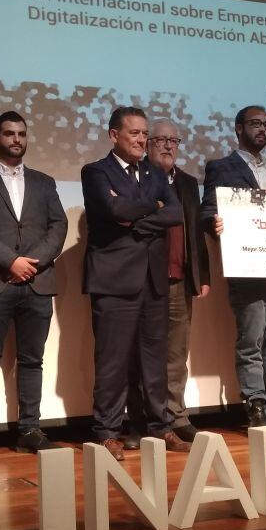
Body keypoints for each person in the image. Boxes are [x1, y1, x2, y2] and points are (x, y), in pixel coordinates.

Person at [81, 106, 188, 461]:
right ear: (115, 135)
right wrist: (150, 208)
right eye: (135, 133)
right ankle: (108, 432)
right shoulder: (96, 172)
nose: (142, 139)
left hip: (152, 280)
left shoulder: (155, 173)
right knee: (112, 362)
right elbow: (114, 213)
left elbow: (174, 214)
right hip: (114, 280)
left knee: (154, 361)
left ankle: (161, 427)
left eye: (145, 133)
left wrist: (139, 215)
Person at [0, 111, 67, 463]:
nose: (16, 139)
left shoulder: (44, 181)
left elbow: (58, 225)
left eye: (21, 133)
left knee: (32, 361)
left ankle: (29, 430)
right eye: (9, 133)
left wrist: (30, 263)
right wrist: (10, 262)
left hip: (37, 283)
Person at [202, 105, 266, 428]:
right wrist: (214, 223)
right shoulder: (221, 167)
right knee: (252, 342)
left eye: (265, 124)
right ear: (238, 128)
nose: (262, 129)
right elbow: (207, 211)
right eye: (255, 123)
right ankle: (256, 409)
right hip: (248, 268)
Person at [124, 118, 210, 449]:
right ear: (147, 143)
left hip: (179, 281)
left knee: (176, 354)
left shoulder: (187, 182)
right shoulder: (138, 177)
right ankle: (141, 420)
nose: (168, 147)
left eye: (174, 141)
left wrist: (202, 275)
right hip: (145, 279)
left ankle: (176, 417)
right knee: (141, 356)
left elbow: (194, 232)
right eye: (161, 140)